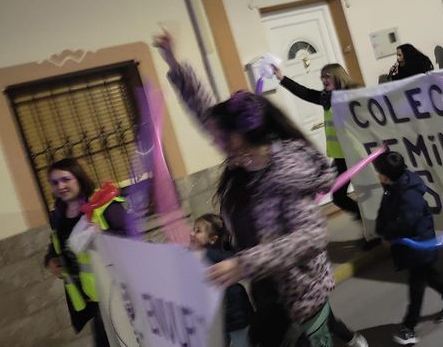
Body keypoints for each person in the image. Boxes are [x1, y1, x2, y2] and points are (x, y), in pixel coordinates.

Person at [154, 30, 337, 346]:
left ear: (249, 136)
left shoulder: (286, 171)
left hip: (299, 299)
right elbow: (204, 111)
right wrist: (174, 62)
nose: (219, 143)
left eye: (226, 138)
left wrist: (244, 263)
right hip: (267, 290)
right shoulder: (242, 165)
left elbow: (312, 236)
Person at [374, 151, 443, 345]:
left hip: (418, 245)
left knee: (416, 287)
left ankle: (409, 328)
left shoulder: (409, 193)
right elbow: (384, 212)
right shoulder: (391, 188)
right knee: (430, 275)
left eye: (379, 172)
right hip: (409, 247)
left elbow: (408, 221)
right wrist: (381, 230)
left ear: (387, 174)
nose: (377, 175)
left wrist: (388, 234)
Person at [44, 158, 128, 347]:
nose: (61, 186)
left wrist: (103, 235)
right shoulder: (59, 214)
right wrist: (50, 259)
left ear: (79, 178)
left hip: (118, 291)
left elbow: (129, 236)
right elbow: (56, 244)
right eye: (54, 182)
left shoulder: (103, 203)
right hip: (93, 297)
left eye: (66, 179)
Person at [273, 63, 370, 227]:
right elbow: (305, 93)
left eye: (327, 76)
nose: (323, 79)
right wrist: (282, 78)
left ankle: (373, 230)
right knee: (339, 196)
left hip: (356, 153)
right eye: (322, 76)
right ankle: (367, 224)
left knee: (367, 192)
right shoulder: (326, 98)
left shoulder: (351, 95)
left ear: (338, 76)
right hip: (340, 156)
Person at [191, 214, 255, 347]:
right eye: (193, 229)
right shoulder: (196, 257)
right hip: (219, 318)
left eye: (198, 231)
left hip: (236, 317)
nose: (192, 233)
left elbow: (230, 259)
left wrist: (202, 254)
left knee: (242, 342)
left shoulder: (216, 254)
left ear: (213, 239)